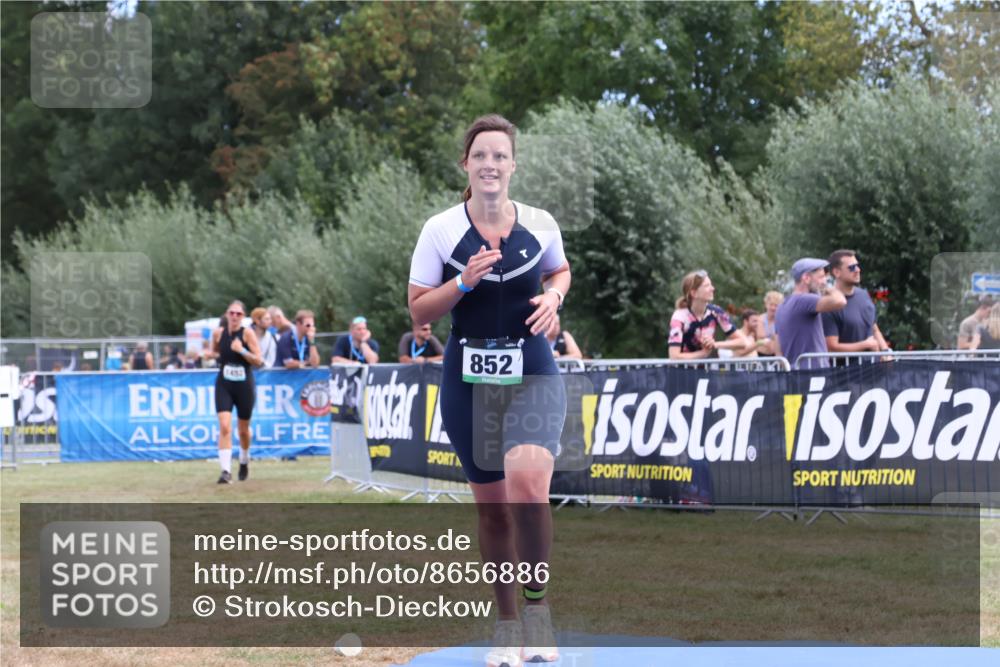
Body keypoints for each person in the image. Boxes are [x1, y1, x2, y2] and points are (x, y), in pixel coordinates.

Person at [408, 114, 569, 666]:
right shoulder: (441, 229)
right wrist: (464, 282)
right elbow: (418, 309)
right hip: (468, 379)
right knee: (495, 510)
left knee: (529, 487)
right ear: (466, 165)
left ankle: (539, 613)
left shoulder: (542, 223)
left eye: (500, 155)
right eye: (481, 155)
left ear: (513, 164)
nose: (491, 164)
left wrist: (555, 298)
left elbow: (560, 271)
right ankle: (506, 625)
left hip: (533, 371)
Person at [210, 300, 264, 483]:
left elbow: (259, 361)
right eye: (231, 313)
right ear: (226, 314)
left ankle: (243, 460)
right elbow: (215, 351)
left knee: (243, 430)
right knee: (225, 426)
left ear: (243, 317)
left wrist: (241, 351)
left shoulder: (248, 334)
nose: (234, 317)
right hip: (224, 384)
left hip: (244, 386)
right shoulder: (218, 333)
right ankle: (225, 471)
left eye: (238, 314)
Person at [775, 258, 847, 368]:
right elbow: (840, 301)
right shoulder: (803, 299)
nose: (824, 281)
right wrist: (829, 289)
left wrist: (786, 370)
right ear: (806, 278)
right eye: (821, 277)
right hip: (813, 372)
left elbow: (776, 342)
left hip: (795, 373)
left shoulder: (782, 305)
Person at [822, 250, 890, 360]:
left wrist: (886, 352)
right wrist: (865, 345)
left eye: (857, 266)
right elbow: (831, 348)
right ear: (837, 272)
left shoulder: (863, 295)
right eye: (852, 267)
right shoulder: (829, 304)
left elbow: (874, 329)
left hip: (873, 370)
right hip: (846, 374)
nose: (858, 270)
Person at [667, 270, 748, 360]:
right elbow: (674, 356)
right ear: (694, 293)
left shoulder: (716, 312)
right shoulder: (679, 316)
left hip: (706, 371)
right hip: (681, 372)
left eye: (711, 285)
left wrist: (714, 344)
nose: (712, 288)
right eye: (707, 286)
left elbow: (743, 342)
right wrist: (703, 354)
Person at [756, 291, 784, 356]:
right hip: (761, 355)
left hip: (777, 355)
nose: (773, 308)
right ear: (766, 305)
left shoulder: (781, 320)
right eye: (771, 304)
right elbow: (760, 336)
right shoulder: (761, 318)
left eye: (776, 305)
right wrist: (773, 337)